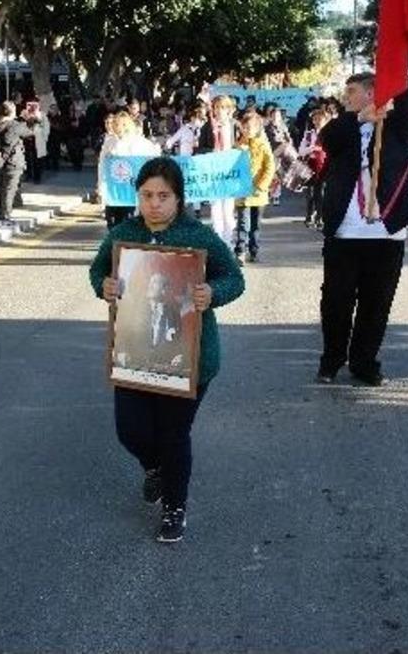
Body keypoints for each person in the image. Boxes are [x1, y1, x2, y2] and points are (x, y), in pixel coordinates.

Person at [90, 157, 245, 544]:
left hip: (189, 357)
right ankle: (154, 467)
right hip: (135, 353)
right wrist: (104, 286)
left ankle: (175, 507)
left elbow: (234, 278)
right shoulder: (122, 234)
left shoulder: (200, 237)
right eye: (146, 195)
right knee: (130, 430)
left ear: (178, 198)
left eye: (163, 195)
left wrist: (213, 293)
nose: (154, 203)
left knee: (174, 433)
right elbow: (98, 272)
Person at [317, 72, 408, 386]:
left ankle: (364, 362)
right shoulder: (344, 126)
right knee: (336, 301)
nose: (346, 96)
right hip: (345, 233)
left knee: (376, 304)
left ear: (372, 91)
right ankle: (332, 359)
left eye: (352, 91)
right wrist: (359, 117)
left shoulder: (397, 127)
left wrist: (399, 66)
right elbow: (329, 140)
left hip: (385, 232)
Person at [101, 110, 160, 228]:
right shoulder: (109, 143)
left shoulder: (138, 142)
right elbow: (102, 165)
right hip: (114, 192)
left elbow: (152, 157)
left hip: (130, 191)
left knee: (128, 221)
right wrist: (101, 186)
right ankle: (115, 244)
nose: (119, 127)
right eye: (117, 124)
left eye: (123, 124)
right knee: (112, 223)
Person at [196, 95, 239, 248]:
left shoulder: (235, 126)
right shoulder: (207, 127)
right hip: (214, 173)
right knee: (215, 209)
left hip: (231, 173)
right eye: (217, 107)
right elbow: (199, 150)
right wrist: (211, 151)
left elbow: (242, 146)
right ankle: (219, 241)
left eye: (223, 107)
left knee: (228, 209)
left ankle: (229, 242)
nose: (220, 111)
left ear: (229, 110)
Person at [234, 113, 277, 264]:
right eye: (244, 127)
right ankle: (240, 250)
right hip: (242, 192)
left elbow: (270, 166)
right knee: (243, 223)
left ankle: (254, 250)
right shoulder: (238, 145)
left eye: (249, 127)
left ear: (258, 128)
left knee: (255, 224)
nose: (246, 130)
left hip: (258, 193)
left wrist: (262, 185)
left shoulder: (263, 145)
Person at [299, 107, 330, 229]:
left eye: (320, 119)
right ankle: (309, 215)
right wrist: (311, 148)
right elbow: (301, 151)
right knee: (310, 193)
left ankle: (320, 217)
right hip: (310, 166)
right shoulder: (308, 135)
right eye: (315, 119)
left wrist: (321, 149)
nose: (317, 122)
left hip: (324, 167)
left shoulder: (329, 133)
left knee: (321, 193)